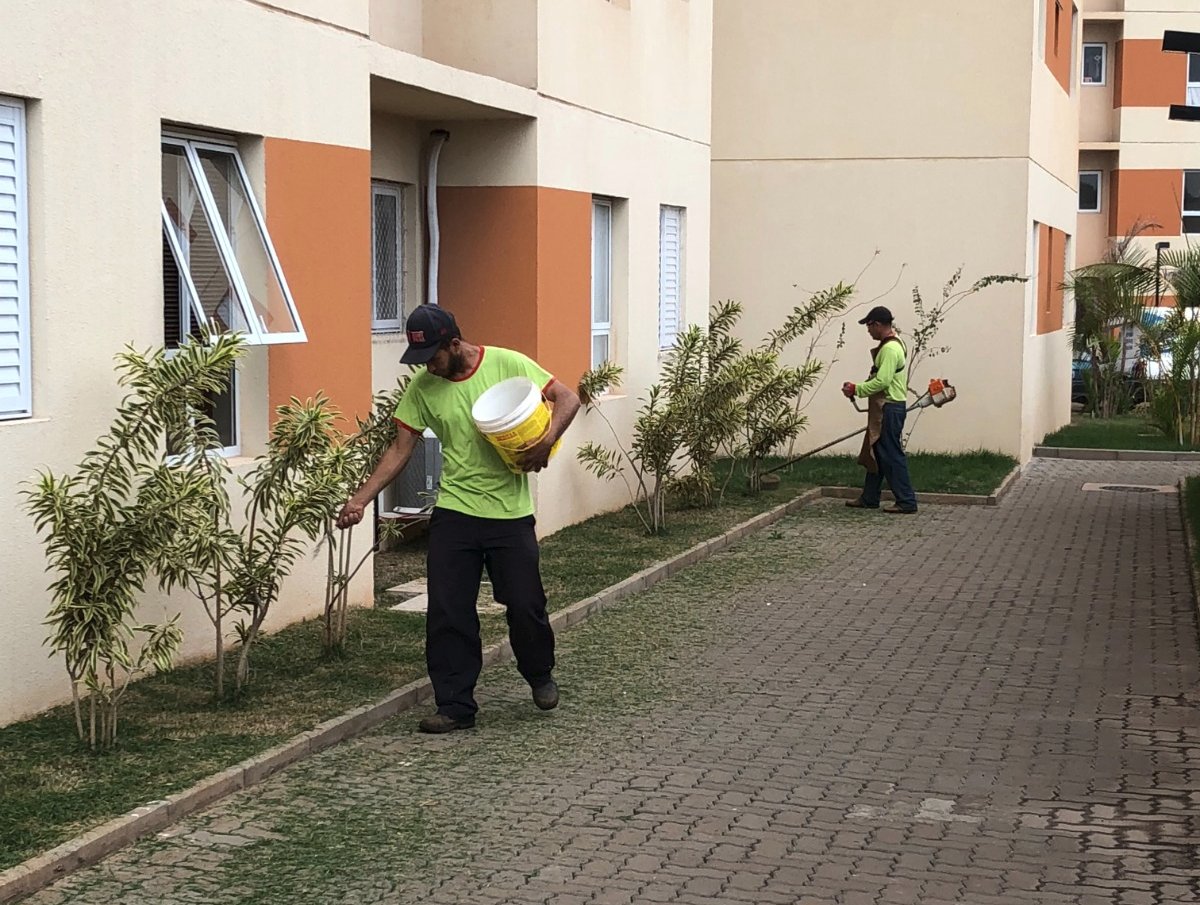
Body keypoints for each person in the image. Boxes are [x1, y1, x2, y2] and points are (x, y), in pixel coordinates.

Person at [336, 304, 581, 733]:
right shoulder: (424, 386)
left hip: (509, 514)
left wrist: (545, 441)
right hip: (454, 513)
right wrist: (360, 499)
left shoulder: (507, 363)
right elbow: (400, 448)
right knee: (448, 612)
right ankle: (455, 705)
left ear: (455, 344)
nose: (428, 365)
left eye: (433, 355)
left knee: (525, 605)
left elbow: (568, 397)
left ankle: (539, 673)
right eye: (421, 358)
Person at [841, 305, 918, 515]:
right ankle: (870, 497)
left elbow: (883, 381)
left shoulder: (890, 349)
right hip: (890, 406)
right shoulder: (895, 343)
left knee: (891, 454)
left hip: (889, 407)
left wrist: (857, 389)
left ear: (877, 324)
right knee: (876, 451)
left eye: (868, 326)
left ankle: (906, 501)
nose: (868, 331)